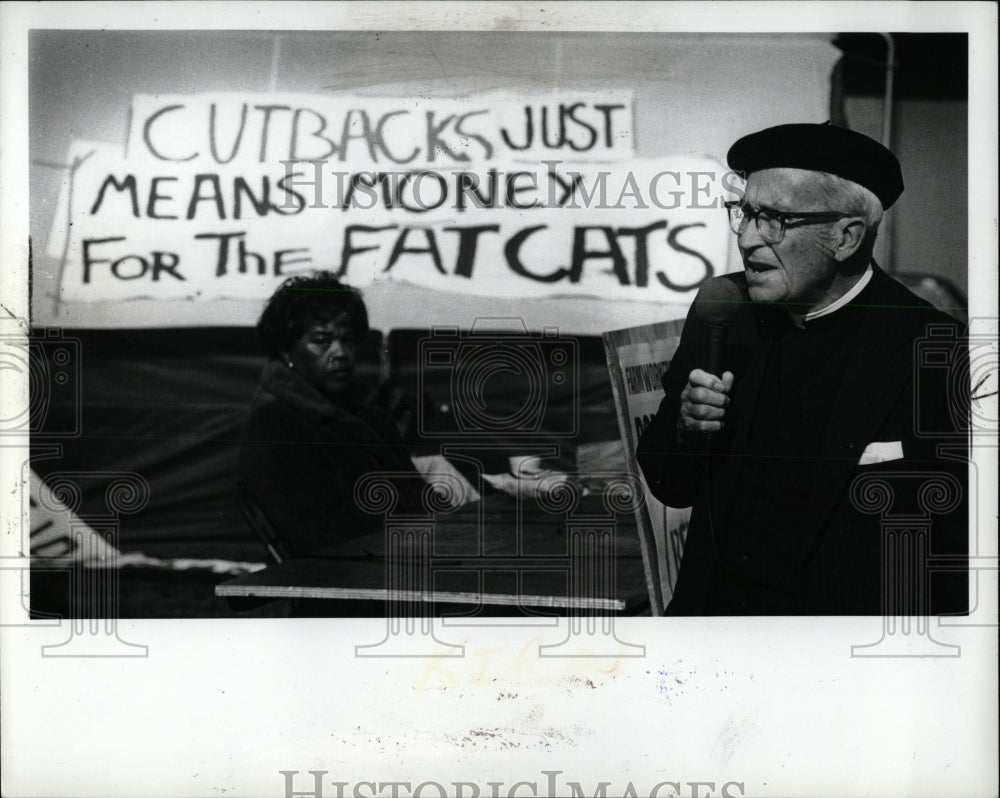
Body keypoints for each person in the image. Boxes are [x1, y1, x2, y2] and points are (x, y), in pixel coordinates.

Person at [637, 122, 968, 615]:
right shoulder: (723, 311)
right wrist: (687, 429)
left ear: (846, 237)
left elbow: (962, 557)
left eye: (773, 219)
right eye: (744, 214)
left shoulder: (935, 350)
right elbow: (670, 485)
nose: (747, 239)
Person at [239, 271, 422, 556]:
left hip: (403, 558)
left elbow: (417, 494)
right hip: (350, 582)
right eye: (322, 341)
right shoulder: (276, 424)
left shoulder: (369, 414)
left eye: (348, 340)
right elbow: (319, 532)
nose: (340, 352)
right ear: (286, 351)